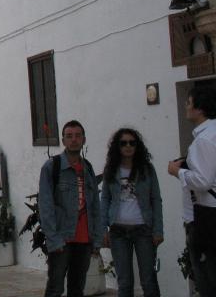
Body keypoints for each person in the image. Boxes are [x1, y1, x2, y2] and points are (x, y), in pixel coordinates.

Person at [38, 120, 102, 297]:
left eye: (78, 135)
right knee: (55, 289)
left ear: (84, 139)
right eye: (69, 136)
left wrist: (96, 239)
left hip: (84, 240)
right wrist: (53, 239)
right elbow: (46, 206)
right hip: (62, 240)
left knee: (77, 289)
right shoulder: (52, 167)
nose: (74, 139)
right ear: (63, 140)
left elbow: (95, 206)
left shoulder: (88, 168)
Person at [100, 128, 162, 297]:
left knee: (148, 279)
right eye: (123, 143)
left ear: (137, 146)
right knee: (124, 281)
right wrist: (103, 228)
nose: (128, 146)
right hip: (118, 230)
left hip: (143, 229)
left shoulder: (147, 170)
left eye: (132, 143)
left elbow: (156, 200)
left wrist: (158, 230)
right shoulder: (111, 170)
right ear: (117, 147)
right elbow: (105, 198)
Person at [168, 85, 216, 297]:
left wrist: (177, 171)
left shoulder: (204, 140)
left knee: (208, 278)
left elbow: (204, 181)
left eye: (188, 103)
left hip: (208, 217)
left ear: (199, 108)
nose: (186, 107)